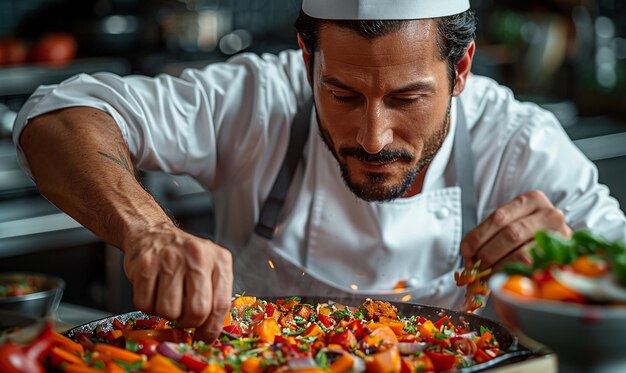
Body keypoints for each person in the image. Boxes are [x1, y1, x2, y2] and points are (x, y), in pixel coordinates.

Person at [13, 0, 626, 341]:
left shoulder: (519, 144)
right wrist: (149, 230)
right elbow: (57, 116)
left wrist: (573, 267)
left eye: (408, 98)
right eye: (343, 93)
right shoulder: (260, 98)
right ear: (308, 59)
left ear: (461, 68)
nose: (372, 136)